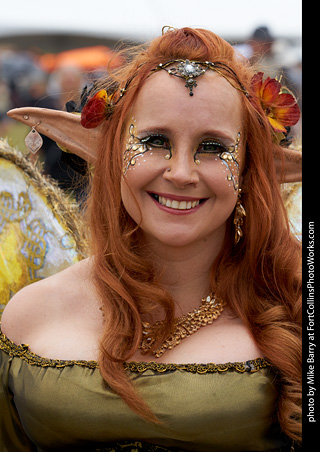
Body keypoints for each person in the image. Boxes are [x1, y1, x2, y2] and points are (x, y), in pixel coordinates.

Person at [0, 27, 302, 451]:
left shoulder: (294, 309)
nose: (181, 173)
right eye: (155, 141)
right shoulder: (30, 314)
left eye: (213, 147)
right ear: (114, 155)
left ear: (251, 169)